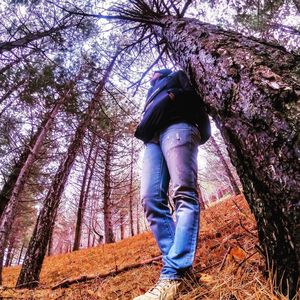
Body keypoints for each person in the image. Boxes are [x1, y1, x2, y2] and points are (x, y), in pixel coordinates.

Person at [134, 69, 210, 300]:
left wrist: (174, 100)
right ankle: (180, 271)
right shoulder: (151, 92)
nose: (151, 75)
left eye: (155, 72)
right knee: (150, 198)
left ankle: (172, 275)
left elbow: (195, 98)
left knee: (183, 195)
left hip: (178, 127)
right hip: (152, 140)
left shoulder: (176, 77)